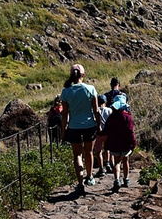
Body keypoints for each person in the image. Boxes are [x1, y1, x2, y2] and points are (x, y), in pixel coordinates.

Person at [58, 64, 100, 192]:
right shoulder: (91, 89)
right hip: (89, 125)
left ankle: (80, 183)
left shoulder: (66, 92)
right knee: (89, 152)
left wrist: (63, 130)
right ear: (83, 74)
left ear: (71, 75)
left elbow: (64, 114)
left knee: (77, 155)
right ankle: (90, 176)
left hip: (73, 126)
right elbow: (96, 110)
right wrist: (99, 125)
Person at [103, 80, 137, 190]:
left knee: (116, 161)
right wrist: (133, 143)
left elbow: (106, 130)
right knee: (125, 161)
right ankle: (126, 179)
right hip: (125, 143)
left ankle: (116, 179)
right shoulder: (128, 117)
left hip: (114, 143)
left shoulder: (111, 117)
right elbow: (130, 132)